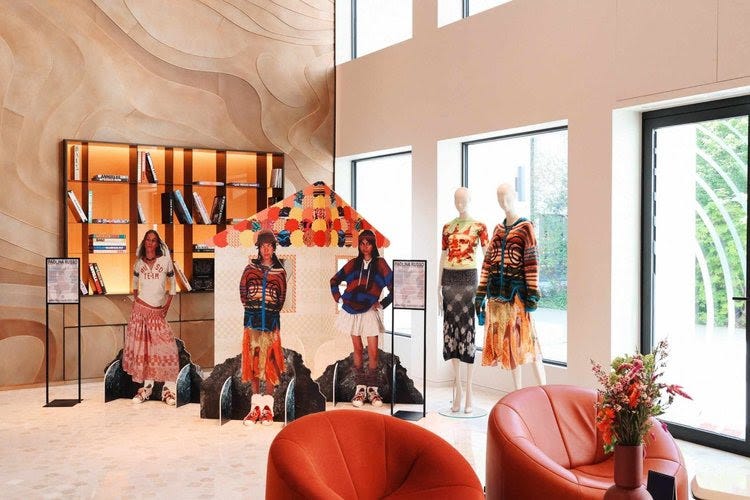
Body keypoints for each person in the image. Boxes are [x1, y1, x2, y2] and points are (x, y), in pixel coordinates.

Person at [475, 183, 546, 390]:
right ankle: (517, 393)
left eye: (506, 197)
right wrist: (480, 294)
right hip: (497, 297)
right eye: (499, 198)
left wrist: (532, 295)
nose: (503, 202)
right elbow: (487, 264)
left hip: (518, 297)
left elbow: (532, 263)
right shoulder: (497, 229)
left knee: (529, 342)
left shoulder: (526, 228)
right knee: (509, 347)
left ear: (514, 196)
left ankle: (546, 392)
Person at [438, 187, 488, 413]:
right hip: (449, 280)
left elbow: (487, 258)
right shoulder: (447, 227)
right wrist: (438, 286)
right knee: (451, 332)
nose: (460, 203)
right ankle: (457, 388)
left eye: (464, 200)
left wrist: (486, 287)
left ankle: (469, 391)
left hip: (469, 280)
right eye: (456, 200)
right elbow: (443, 256)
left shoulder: (479, 227)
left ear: (470, 200)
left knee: (467, 331)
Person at [330, 229, 393, 407]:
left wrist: (383, 303)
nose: (365, 247)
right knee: (357, 349)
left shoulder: (381, 264)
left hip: (369, 311)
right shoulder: (353, 264)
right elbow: (334, 280)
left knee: (373, 352)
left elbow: (394, 286)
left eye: (368, 243)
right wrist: (339, 298)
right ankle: (360, 389)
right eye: (362, 243)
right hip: (351, 310)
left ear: (374, 245)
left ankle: (373, 390)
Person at [123, 229, 179, 405]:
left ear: (157, 243)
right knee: (145, 352)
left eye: (154, 240)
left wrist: (167, 306)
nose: (150, 243)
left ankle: (168, 391)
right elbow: (134, 284)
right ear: (144, 242)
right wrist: (136, 301)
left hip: (157, 312)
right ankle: (146, 389)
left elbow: (172, 285)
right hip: (140, 312)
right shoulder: (139, 263)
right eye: (148, 240)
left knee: (167, 348)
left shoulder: (165, 261)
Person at [240, 229, 287, 425]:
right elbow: (243, 293)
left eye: (269, 246)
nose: (266, 249)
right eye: (263, 246)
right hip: (252, 321)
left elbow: (281, 298)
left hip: (271, 322)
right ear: (258, 248)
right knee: (253, 360)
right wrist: (253, 310)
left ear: (274, 248)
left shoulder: (280, 272)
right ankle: (255, 407)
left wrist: (270, 312)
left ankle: (268, 407)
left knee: (270, 361)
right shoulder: (249, 269)